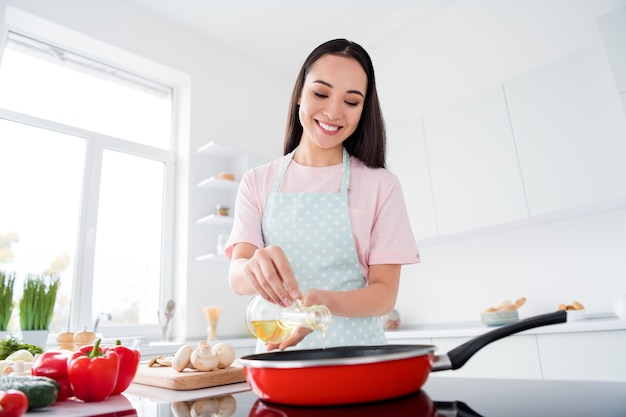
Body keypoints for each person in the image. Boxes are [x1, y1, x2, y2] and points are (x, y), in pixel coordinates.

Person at [225, 38, 419, 352]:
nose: (333, 112)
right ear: (300, 93)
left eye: (351, 101)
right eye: (320, 93)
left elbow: (385, 294)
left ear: (362, 111)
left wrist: (324, 303)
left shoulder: (382, 185)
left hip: (357, 360)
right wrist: (253, 267)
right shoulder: (257, 181)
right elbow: (237, 277)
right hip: (279, 361)